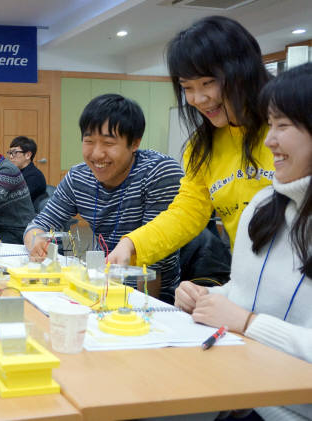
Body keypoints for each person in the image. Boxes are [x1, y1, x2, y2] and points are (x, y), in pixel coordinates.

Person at [175, 62, 311, 421]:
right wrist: (206, 299)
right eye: (270, 125)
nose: (269, 140)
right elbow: (245, 291)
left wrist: (248, 324)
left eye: (282, 125)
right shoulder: (264, 206)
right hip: (247, 391)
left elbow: (247, 316)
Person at [107, 16, 274, 269]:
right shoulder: (202, 148)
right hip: (252, 279)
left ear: (243, 70)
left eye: (208, 83)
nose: (198, 98)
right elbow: (188, 212)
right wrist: (133, 244)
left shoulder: (290, 125)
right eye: (187, 87)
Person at [25, 94, 184, 301]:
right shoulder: (79, 177)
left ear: (134, 143)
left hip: (151, 299)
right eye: (89, 141)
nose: (97, 154)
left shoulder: (158, 173)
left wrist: (139, 311)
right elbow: (38, 224)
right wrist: (37, 240)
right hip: (98, 287)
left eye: (108, 143)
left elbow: (154, 263)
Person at [7, 136, 47, 203]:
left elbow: (14, 199)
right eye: (10, 153)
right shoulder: (16, 172)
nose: (11, 157)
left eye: (15, 153)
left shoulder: (35, 177)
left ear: (28, 155)